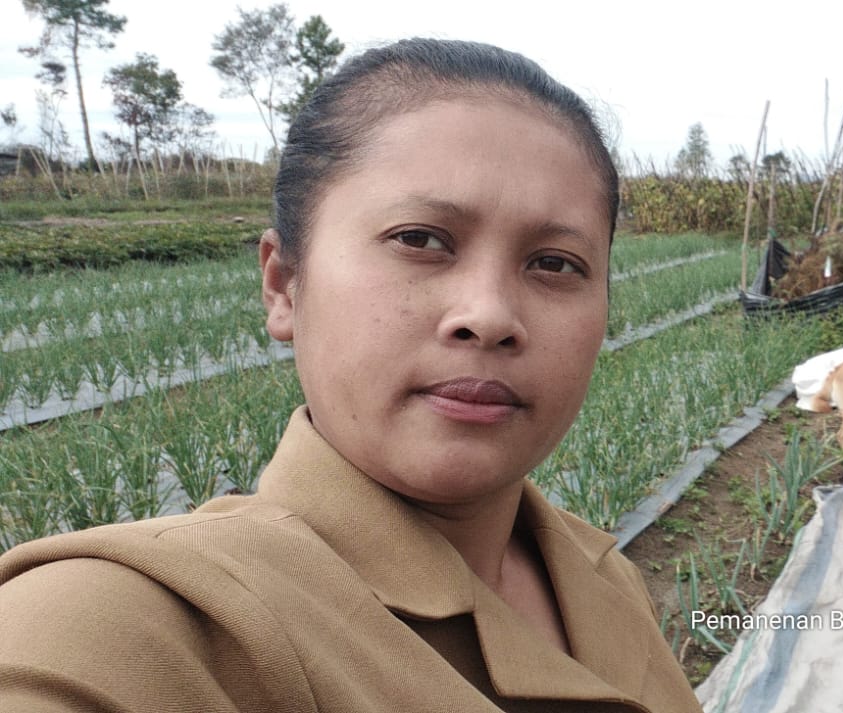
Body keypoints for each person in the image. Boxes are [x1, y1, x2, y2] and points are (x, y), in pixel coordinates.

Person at [0, 39, 702, 712]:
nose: (489, 315)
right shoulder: (144, 624)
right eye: (420, 239)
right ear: (283, 285)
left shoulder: (603, 575)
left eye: (555, 263)